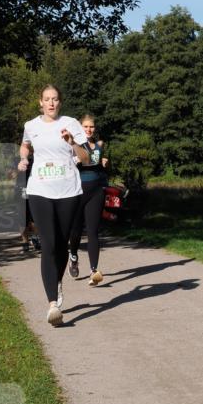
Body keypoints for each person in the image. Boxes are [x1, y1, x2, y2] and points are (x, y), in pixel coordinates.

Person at [19, 85, 89, 326]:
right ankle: (52, 305)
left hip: (68, 190)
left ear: (60, 102)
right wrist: (24, 157)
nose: (51, 103)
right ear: (40, 102)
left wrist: (72, 142)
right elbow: (25, 144)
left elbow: (86, 158)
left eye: (55, 99)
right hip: (40, 190)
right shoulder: (31, 126)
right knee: (48, 243)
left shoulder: (71, 124)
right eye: (47, 99)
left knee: (61, 243)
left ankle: (57, 281)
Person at [67, 114, 109, 285]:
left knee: (93, 231)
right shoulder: (72, 145)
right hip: (77, 191)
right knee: (76, 231)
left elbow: (97, 167)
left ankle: (93, 270)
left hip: (96, 191)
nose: (89, 129)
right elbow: (72, 164)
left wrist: (105, 163)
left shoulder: (99, 145)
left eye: (91, 126)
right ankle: (74, 256)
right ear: (80, 128)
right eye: (85, 126)